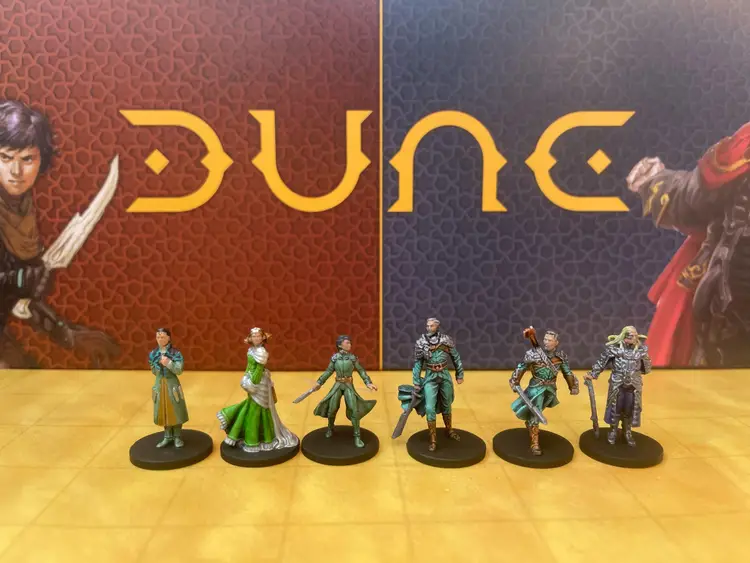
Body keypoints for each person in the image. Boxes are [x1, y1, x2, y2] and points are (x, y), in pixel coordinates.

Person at [0, 99, 119, 368]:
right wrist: (19, 280)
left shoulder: (21, 209)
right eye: (5, 157)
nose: (16, 171)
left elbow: (22, 302)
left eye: (27, 159)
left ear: (41, 161)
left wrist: (68, 335)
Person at [628, 123, 750, 367]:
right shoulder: (741, 151)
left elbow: (692, 201)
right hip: (729, 318)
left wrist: (655, 181)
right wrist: (656, 181)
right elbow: (693, 200)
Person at [217, 328, 298, 453]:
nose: (256, 338)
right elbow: (249, 367)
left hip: (259, 384)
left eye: (258, 336)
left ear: (263, 338)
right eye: (254, 336)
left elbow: (258, 371)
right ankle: (256, 437)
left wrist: (252, 384)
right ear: (250, 338)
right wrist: (245, 378)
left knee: (257, 410)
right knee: (252, 408)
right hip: (250, 380)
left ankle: (255, 440)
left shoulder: (261, 352)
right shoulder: (251, 350)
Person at [509, 329, 579, 455]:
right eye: (545, 339)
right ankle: (535, 443)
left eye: (550, 340)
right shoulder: (533, 354)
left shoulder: (560, 357)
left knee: (538, 410)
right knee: (536, 412)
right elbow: (521, 367)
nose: (546, 342)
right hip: (536, 388)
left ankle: (531, 423)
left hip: (550, 389)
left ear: (556, 343)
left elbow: (567, 372)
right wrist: (515, 381)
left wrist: (572, 386)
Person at [398, 318, 464, 452]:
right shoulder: (421, 343)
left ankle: (449, 430)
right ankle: (433, 438)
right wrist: (416, 381)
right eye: (427, 326)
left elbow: (456, 357)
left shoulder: (446, 340)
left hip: (444, 375)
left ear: (437, 326)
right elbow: (417, 364)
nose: (429, 328)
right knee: (429, 407)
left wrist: (460, 374)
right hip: (430, 377)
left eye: (431, 326)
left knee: (447, 404)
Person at [585, 326, 651, 447]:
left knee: (630, 409)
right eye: (629, 335)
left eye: (633, 335)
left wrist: (644, 358)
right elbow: (601, 363)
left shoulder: (641, 351)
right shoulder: (614, 350)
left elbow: (646, 369)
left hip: (634, 385)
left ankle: (627, 432)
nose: (631, 338)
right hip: (617, 384)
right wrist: (593, 374)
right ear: (623, 336)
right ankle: (613, 431)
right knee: (615, 408)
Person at [309, 335, 377, 448]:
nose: (350, 344)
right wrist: (319, 382)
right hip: (338, 385)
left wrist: (368, 382)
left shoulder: (352, 358)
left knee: (354, 409)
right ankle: (330, 428)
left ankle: (357, 436)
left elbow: (361, 371)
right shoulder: (335, 358)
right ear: (340, 345)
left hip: (348, 386)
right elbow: (328, 371)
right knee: (332, 408)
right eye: (347, 343)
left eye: (350, 342)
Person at [149, 328, 188, 448]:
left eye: (162, 337)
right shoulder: (153, 353)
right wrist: (157, 366)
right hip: (160, 384)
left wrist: (169, 363)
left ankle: (177, 436)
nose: (160, 339)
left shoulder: (175, 353)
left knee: (175, 410)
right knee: (163, 410)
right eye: (158, 337)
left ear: (168, 338)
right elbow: (153, 370)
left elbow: (179, 370)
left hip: (172, 385)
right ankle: (167, 436)